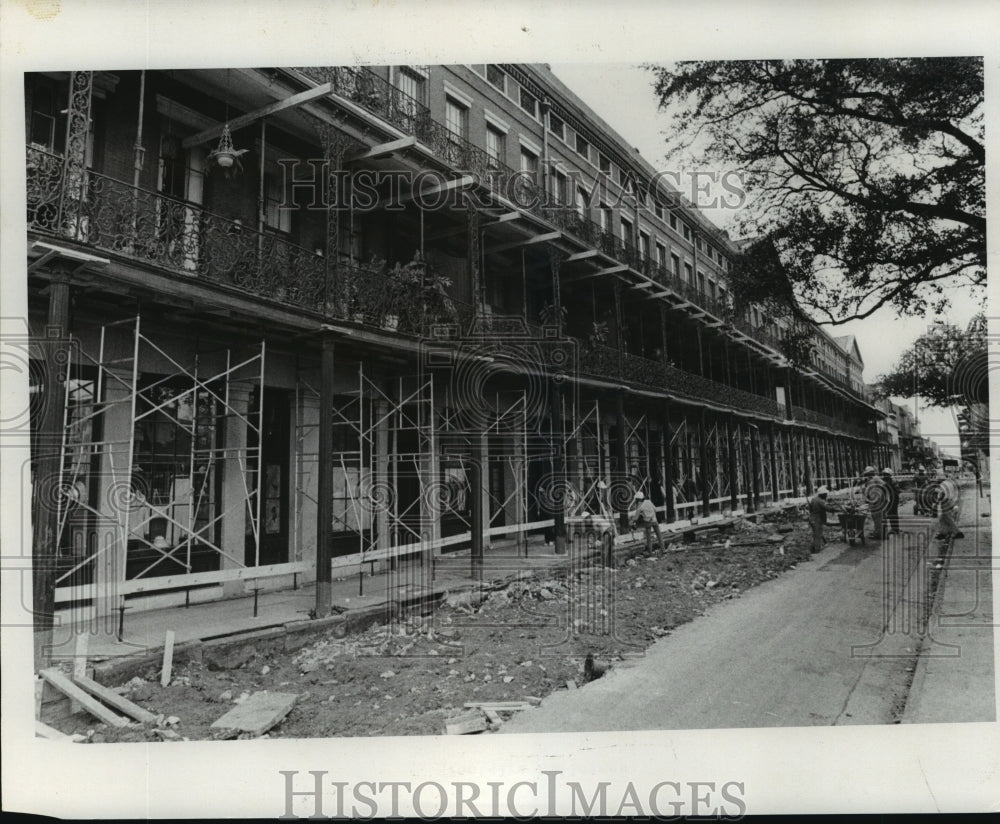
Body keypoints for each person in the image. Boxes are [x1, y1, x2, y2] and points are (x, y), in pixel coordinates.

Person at [807, 485, 837, 553]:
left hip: (812, 518)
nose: (826, 495)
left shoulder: (814, 499)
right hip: (817, 519)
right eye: (826, 494)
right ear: (822, 494)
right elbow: (827, 508)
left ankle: (813, 548)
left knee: (816, 534)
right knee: (817, 535)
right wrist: (834, 509)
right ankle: (816, 550)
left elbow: (810, 509)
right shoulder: (820, 501)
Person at [881, 467, 900, 536]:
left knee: (892, 514)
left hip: (892, 499)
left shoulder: (888, 481)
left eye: (885, 474)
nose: (884, 475)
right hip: (894, 498)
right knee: (894, 514)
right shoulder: (891, 480)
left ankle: (894, 529)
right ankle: (895, 528)